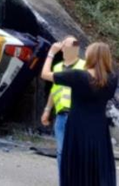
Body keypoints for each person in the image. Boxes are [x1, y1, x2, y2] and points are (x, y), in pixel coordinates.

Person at [41, 42, 118, 186]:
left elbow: (45, 74)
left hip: (78, 127)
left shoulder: (78, 76)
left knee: (76, 167)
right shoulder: (112, 79)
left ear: (91, 56)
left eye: (87, 52)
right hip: (99, 129)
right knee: (97, 167)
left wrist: (51, 53)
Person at [40, 36, 85, 173]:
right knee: (61, 152)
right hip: (61, 116)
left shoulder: (84, 66)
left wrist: (51, 53)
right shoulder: (58, 67)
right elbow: (55, 90)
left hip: (78, 116)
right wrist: (47, 110)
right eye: (65, 45)